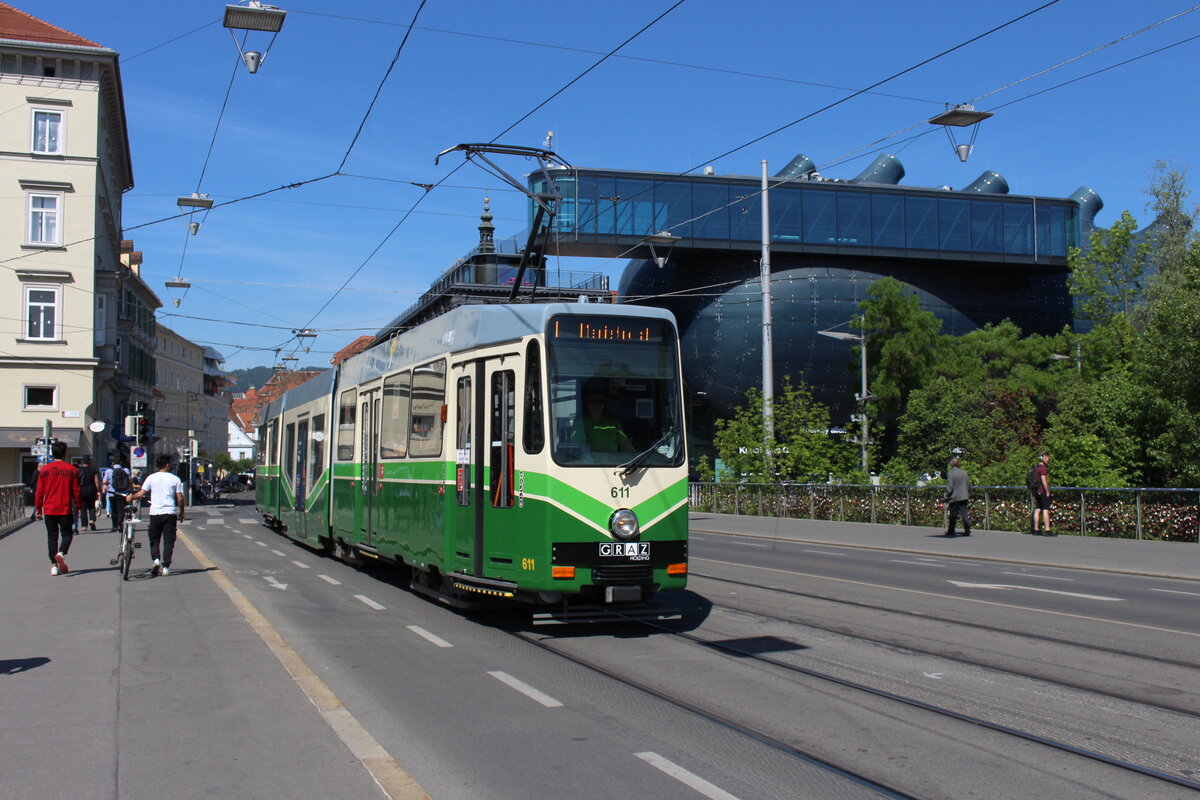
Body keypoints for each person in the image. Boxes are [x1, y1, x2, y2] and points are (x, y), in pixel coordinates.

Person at [126, 454, 185, 577]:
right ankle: (166, 567)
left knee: (154, 538)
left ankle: (156, 560)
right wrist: (182, 511)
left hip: (155, 513)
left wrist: (131, 496)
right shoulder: (175, 479)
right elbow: (179, 498)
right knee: (169, 541)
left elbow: (141, 493)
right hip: (169, 513)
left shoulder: (151, 478)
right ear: (167, 464)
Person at [34, 441, 80, 576]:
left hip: (49, 508)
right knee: (67, 533)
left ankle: (53, 565)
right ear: (65, 453)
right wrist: (78, 507)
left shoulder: (45, 470)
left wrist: (38, 508)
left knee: (52, 536)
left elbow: (39, 491)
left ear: (52, 453)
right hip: (65, 508)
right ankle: (61, 552)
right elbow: (76, 491)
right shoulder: (72, 470)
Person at [577, 382, 635, 453]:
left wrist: (637, 457)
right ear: (587, 403)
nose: (597, 404)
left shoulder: (613, 422)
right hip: (590, 463)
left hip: (613, 463)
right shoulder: (580, 424)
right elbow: (579, 448)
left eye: (601, 401)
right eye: (593, 401)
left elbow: (626, 445)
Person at [942, 457, 971, 536]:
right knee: (964, 512)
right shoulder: (964, 472)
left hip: (954, 496)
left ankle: (951, 530)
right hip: (964, 495)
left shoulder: (951, 474)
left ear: (952, 464)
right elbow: (968, 484)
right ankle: (967, 529)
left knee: (953, 514)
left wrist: (946, 495)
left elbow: (950, 487)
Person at [1031, 451, 1054, 536]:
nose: (1048, 459)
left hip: (1036, 491)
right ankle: (1047, 529)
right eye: (1046, 457)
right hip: (1042, 491)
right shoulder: (1043, 468)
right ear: (1042, 458)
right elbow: (1043, 480)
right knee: (1045, 509)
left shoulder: (1036, 468)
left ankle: (1036, 529)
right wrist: (1047, 491)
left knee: (1038, 509)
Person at [107, 458, 133, 532]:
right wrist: (131, 490)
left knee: (113, 510)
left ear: (113, 463)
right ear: (120, 463)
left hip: (111, 493)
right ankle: (119, 525)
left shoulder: (109, 471)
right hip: (122, 493)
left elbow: (105, 481)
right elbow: (129, 481)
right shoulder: (126, 470)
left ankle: (114, 526)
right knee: (121, 510)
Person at [76, 455, 101, 532]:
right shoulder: (93, 470)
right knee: (91, 506)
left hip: (82, 489)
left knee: (83, 508)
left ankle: (84, 525)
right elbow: (96, 481)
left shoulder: (79, 470)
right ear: (90, 461)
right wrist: (98, 490)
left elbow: (77, 481)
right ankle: (92, 520)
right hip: (91, 489)